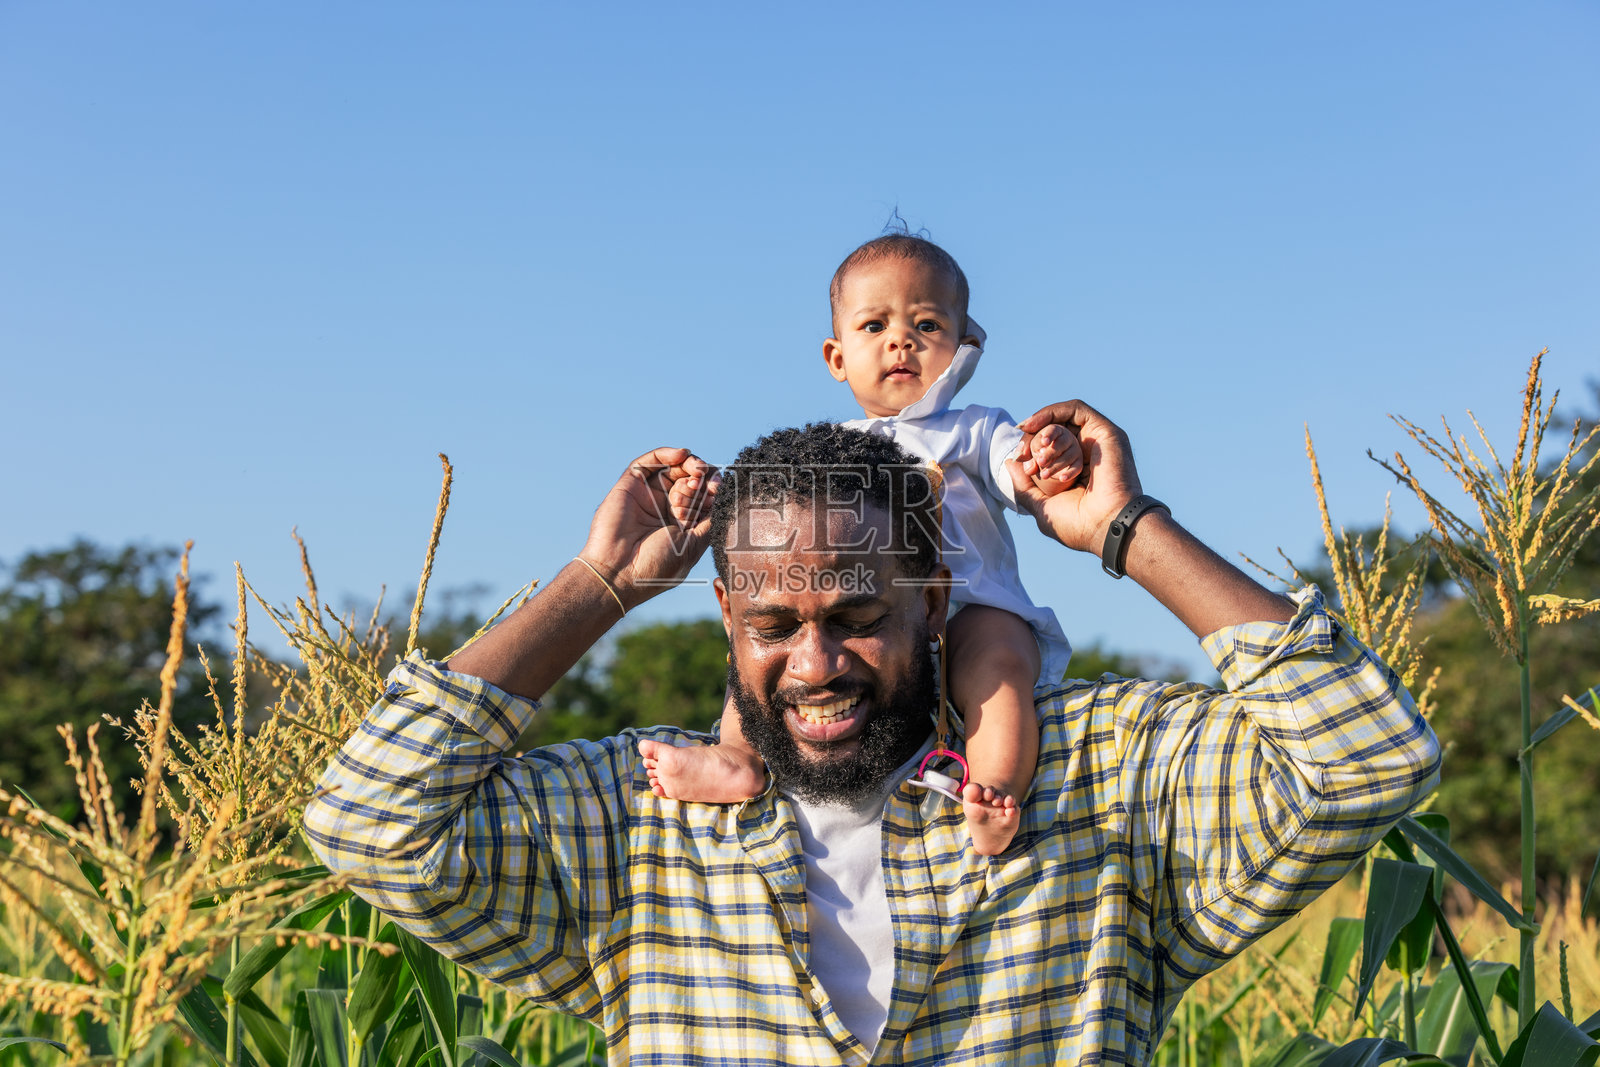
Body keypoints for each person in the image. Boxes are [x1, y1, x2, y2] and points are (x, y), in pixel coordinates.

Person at [303, 412, 1441, 1065]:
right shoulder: (642, 816)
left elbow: (1368, 755)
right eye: (772, 624)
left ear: (933, 603)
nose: (814, 664)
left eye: (856, 618)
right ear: (726, 618)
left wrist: (1127, 530)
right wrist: (597, 585)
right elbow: (370, 818)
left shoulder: (1094, 778)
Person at [639, 233, 1082, 856]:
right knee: (769, 649)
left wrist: (1045, 455)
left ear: (964, 346)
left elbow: (1020, 470)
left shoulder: (977, 427)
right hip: (859, 610)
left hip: (973, 605)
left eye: (927, 324)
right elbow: (773, 519)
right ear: (837, 357)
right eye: (874, 325)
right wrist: (705, 500)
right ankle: (736, 757)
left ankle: (993, 788)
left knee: (1001, 668)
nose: (900, 341)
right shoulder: (836, 448)